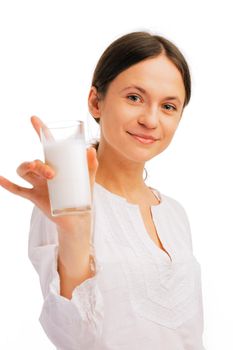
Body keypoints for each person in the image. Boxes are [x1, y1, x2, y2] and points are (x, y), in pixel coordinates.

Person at [0, 31, 206, 349]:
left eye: (168, 106)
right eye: (135, 97)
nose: (151, 120)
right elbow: (72, 338)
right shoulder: (66, 201)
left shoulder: (175, 214)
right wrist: (75, 233)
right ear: (97, 102)